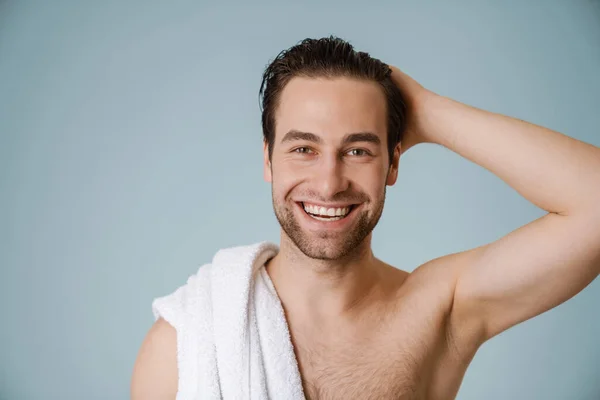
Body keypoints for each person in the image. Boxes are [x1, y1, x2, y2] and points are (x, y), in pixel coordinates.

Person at [131, 37, 600, 399]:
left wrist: (428, 112)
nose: (330, 182)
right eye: (303, 149)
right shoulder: (185, 342)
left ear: (393, 164)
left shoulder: (437, 311)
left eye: (357, 150)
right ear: (268, 161)